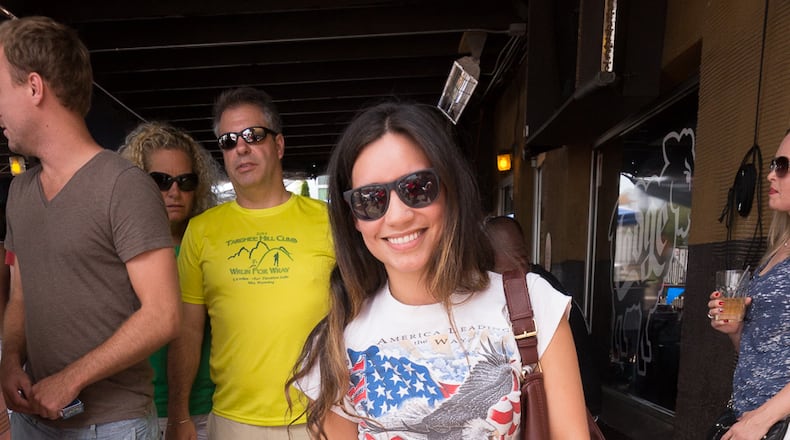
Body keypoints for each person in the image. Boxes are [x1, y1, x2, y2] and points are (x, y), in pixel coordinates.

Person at [290, 101, 589, 439]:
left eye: (417, 188)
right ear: (353, 219)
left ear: (450, 191)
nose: (398, 215)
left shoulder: (533, 304)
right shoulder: (334, 341)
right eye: (371, 200)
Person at [0, 16, 181, 439]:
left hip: (112, 424)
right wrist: (10, 361)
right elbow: (22, 294)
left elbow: (163, 314)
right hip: (33, 419)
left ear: (33, 87)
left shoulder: (123, 185)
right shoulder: (20, 192)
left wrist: (70, 378)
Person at [167, 87, 335, 440]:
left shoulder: (331, 222)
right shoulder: (202, 231)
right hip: (232, 422)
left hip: (321, 419)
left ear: (278, 145)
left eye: (252, 135)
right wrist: (179, 413)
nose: (240, 147)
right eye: (228, 141)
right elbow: (188, 331)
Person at [119, 122, 220, 439]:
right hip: (136, 411)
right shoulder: (117, 250)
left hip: (205, 408)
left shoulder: (211, 243)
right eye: (160, 181)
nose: (174, 192)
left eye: (185, 181)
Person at [708, 131, 790, 439]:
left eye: (783, 166)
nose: (770, 174)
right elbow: (761, 350)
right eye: (772, 163)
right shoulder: (779, 247)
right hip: (751, 420)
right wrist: (737, 330)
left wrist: (763, 419)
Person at [483, 215, 603, 417]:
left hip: (575, 411)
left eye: (490, 273)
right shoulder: (545, 286)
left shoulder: (540, 296)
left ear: (520, 263)